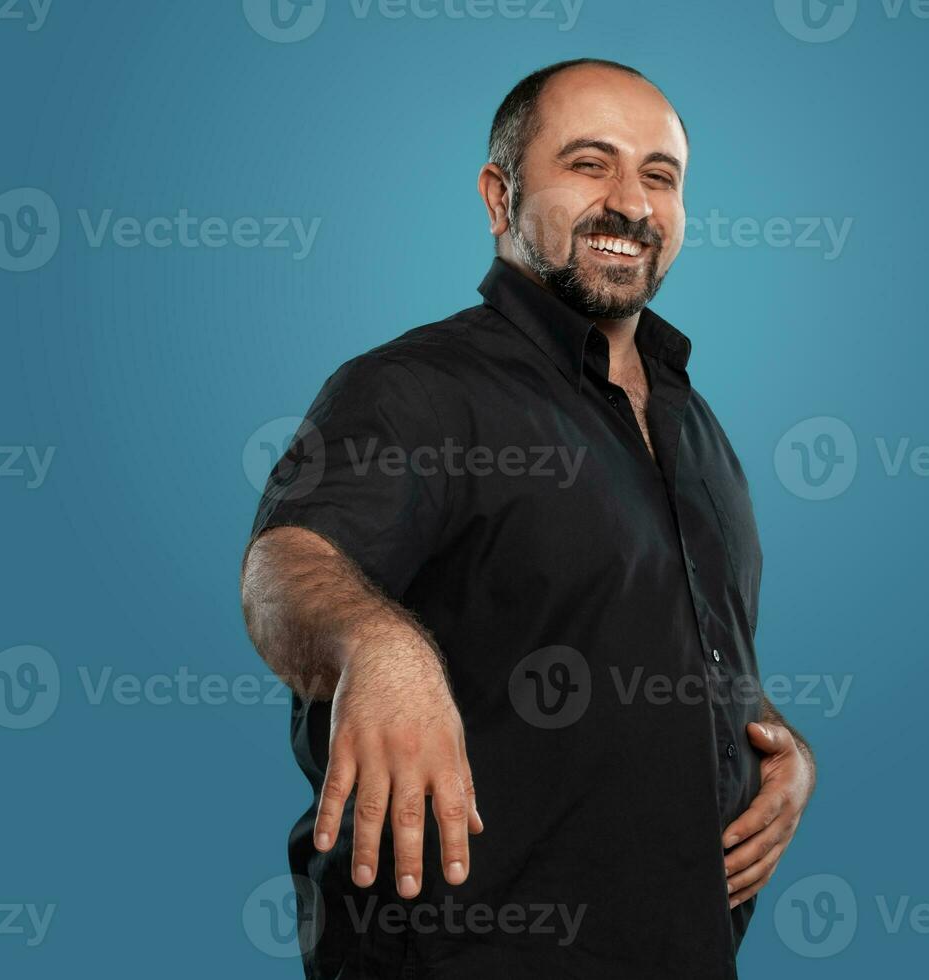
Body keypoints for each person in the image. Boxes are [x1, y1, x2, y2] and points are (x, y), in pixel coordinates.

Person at [241, 58, 816, 979]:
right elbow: (287, 568)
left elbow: (673, 639)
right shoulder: (414, 390)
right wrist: (376, 646)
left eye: (659, 175)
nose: (631, 202)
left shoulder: (691, 422)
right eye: (590, 164)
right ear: (499, 194)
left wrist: (776, 747)